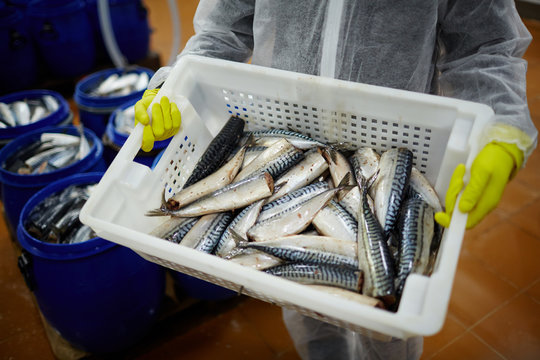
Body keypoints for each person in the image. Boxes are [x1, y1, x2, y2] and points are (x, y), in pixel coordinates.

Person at [134, 1, 538, 359]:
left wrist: (501, 125)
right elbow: (222, 26)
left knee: (386, 324)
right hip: (287, 128)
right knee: (304, 301)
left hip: (393, 136)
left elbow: (485, 44)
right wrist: (178, 85)